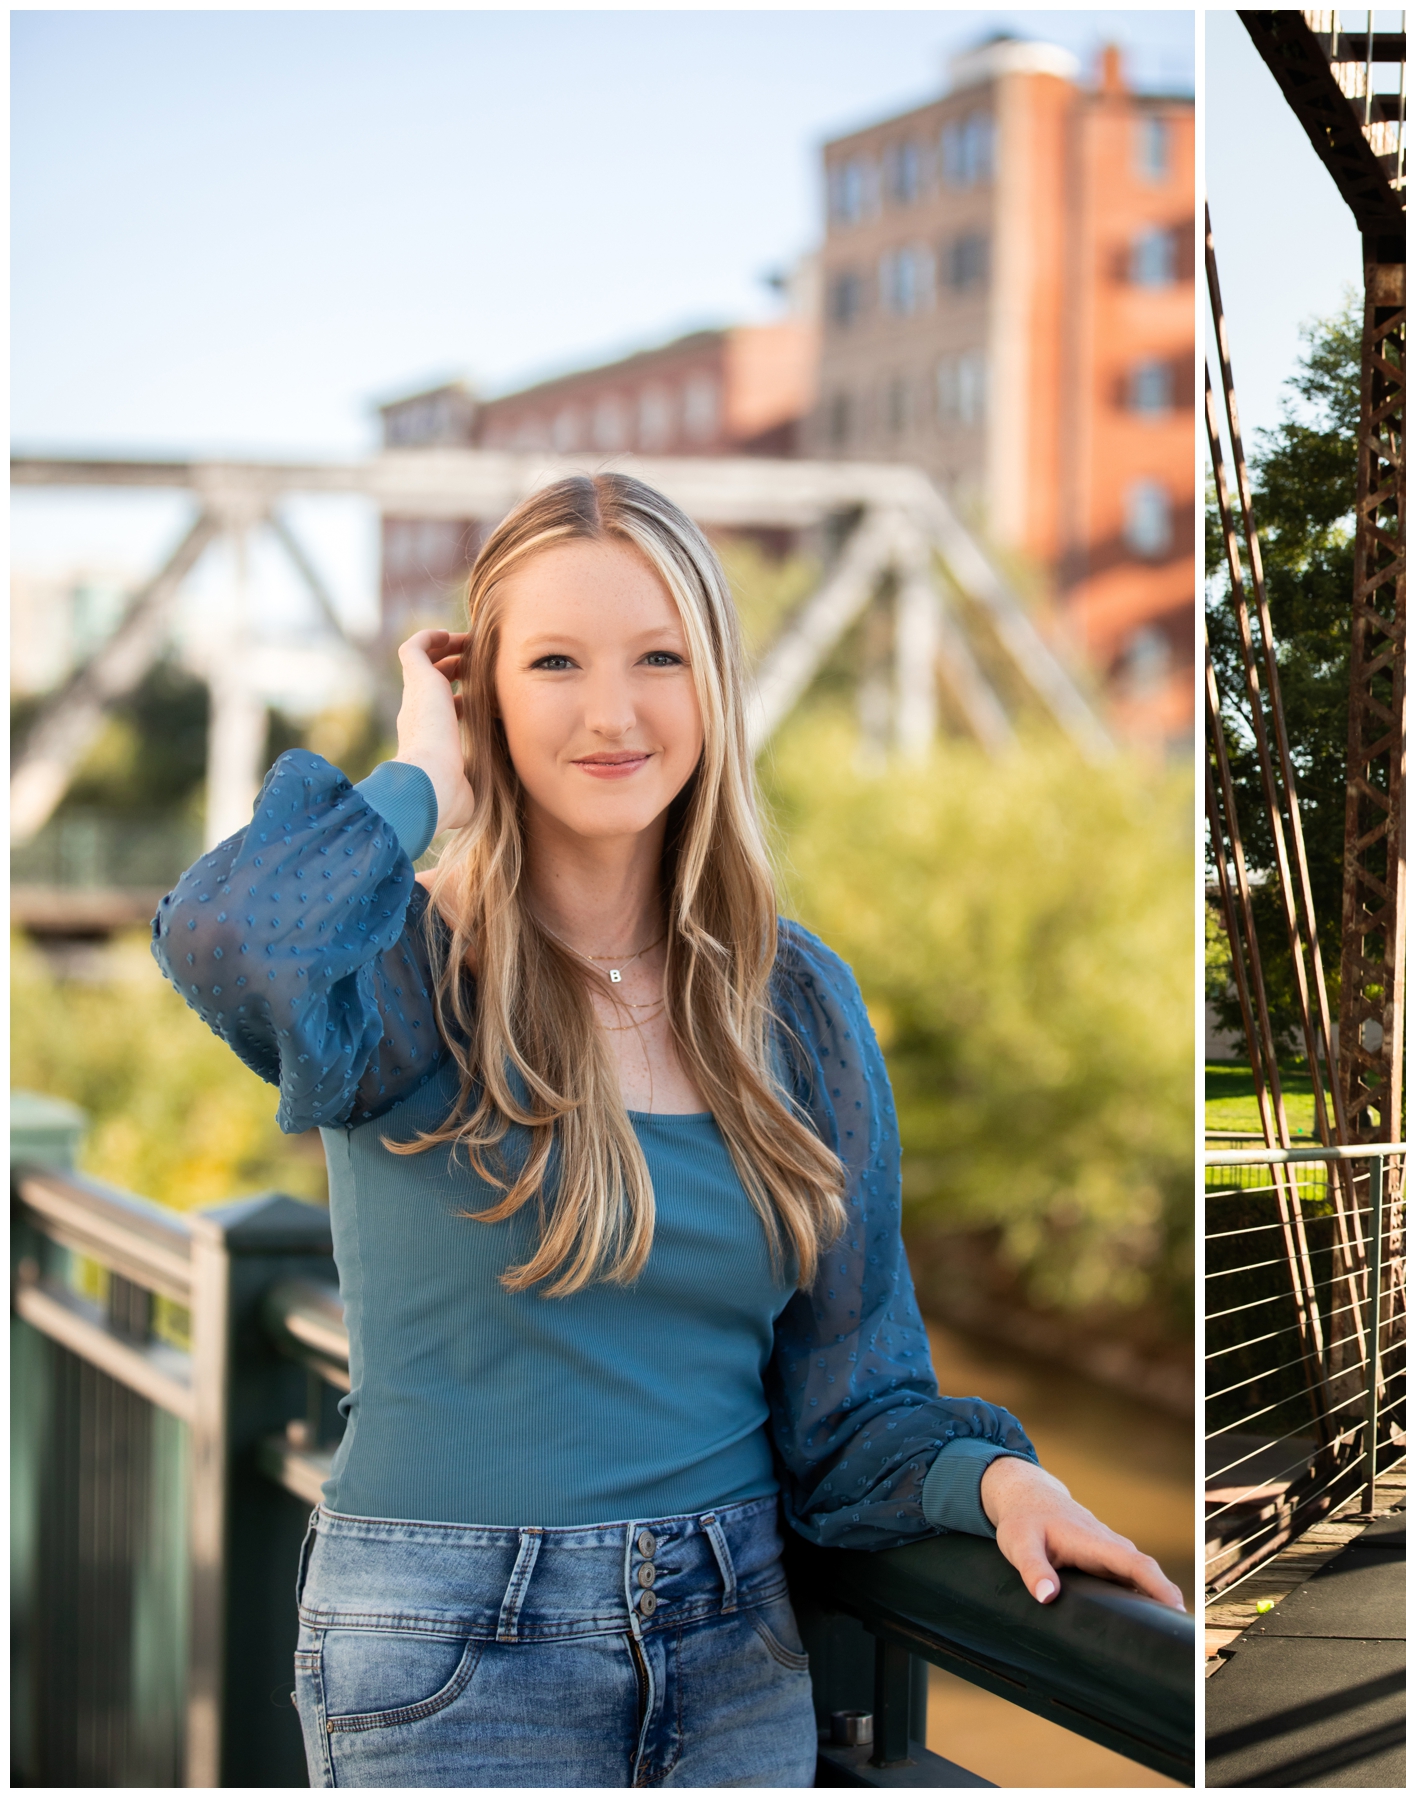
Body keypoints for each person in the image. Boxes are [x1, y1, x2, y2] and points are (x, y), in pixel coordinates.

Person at [153, 472, 1178, 1786]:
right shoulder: (401, 966)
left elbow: (853, 1402)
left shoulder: (793, 1001)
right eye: (556, 661)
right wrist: (419, 775)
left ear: (715, 687)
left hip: (731, 1643)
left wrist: (993, 1485)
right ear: (485, 696)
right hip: (451, 1657)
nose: (613, 711)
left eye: (660, 657)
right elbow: (230, 932)